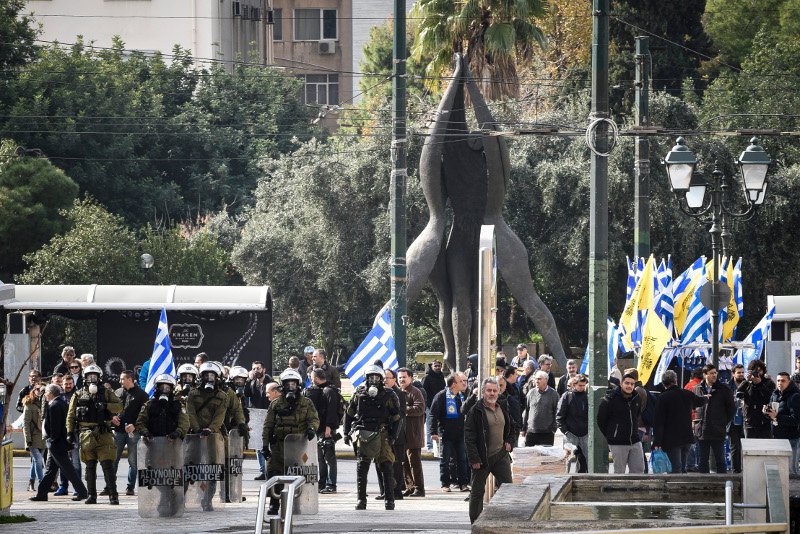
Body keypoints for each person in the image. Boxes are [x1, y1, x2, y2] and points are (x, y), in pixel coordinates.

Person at [344, 364, 400, 511]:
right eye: (371, 377)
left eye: (377, 377)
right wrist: (345, 432)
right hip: (364, 435)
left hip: (383, 434)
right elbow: (349, 414)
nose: (374, 380)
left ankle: (389, 500)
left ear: (382, 379)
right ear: (366, 379)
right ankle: (361, 500)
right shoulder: (359, 393)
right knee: (362, 468)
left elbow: (397, 418)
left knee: (387, 466)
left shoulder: (389, 395)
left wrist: (393, 436)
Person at [262, 368, 319, 515]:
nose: (291, 387)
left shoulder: (306, 403)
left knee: (298, 475)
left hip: (298, 445)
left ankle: (298, 504)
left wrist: (312, 428)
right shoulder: (275, 404)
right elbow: (268, 425)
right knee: (274, 474)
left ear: (298, 385)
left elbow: (313, 418)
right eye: (288, 384)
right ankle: (274, 504)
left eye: (293, 384)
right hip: (279, 445)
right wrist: (265, 445)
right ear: (283, 386)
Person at [66, 364, 123, 504]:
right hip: (86, 435)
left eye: (95, 376)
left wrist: (106, 406)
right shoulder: (78, 394)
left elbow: (119, 405)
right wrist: (69, 432)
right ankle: (91, 495)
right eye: (89, 376)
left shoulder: (107, 392)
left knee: (107, 466)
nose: (92, 379)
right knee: (90, 467)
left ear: (99, 378)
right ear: (85, 378)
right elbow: (71, 415)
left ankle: (113, 495)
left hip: (104, 433)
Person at [465, 377, 514, 523]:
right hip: (482, 459)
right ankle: (476, 523)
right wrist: (474, 459)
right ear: (482, 392)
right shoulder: (475, 411)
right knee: (477, 493)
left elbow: (512, 427)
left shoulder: (503, 407)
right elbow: (469, 437)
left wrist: (510, 441)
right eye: (488, 390)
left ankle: (507, 521)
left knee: (508, 489)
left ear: (498, 392)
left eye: (494, 390)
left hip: (501, 456)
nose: (492, 393)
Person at [29, 385, 89, 502]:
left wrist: (52, 440)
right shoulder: (60, 403)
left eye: (46, 392)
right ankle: (42, 494)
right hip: (57, 443)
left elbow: (55, 427)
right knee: (50, 470)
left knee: (67, 468)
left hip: (56, 443)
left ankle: (82, 492)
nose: (45, 395)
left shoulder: (55, 406)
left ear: (51, 393)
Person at [186, 361, 231, 511]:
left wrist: (210, 429)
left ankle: (208, 500)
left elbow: (220, 416)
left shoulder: (222, 396)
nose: (209, 378)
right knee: (189, 466)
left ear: (217, 378)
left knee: (213, 468)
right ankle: (181, 498)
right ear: (201, 377)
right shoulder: (193, 393)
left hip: (213, 436)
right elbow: (190, 413)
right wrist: (197, 429)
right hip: (195, 435)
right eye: (206, 375)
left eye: (212, 375)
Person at [652, 370, 707, 473]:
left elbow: (658, 422)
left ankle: (674, 488)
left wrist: (657, 440)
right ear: (676, 381)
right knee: (682, 468)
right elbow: (700, 401)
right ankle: (682, 487)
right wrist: (706, 398)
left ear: (663, 383)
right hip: (687, 437)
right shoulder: (687, 394)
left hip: (671, 439)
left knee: (675, 469)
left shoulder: (663, 398)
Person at [597, 372, 645, 474]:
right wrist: (612, 435)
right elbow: (601, 420)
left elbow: (636, 416)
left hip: (635, 440)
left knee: (639, 471)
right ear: (621, 384)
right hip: (617, 442)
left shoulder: (637, 398)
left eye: (632, 384)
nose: (629, 386)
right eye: (627, 383)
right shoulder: (610, 399)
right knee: (619, 473)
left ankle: (636, 490)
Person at [692, 364, 735, 474]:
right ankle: (703, 484)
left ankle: (723, 484)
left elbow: (731, 409)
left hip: (717, 429)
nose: (714, 375)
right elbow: (693, 406)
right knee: (702, 460)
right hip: (702, 429)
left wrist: (723, 422)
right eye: (711, 373)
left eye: (715, 373)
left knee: (720, 460)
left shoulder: (724, 389)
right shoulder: (697, 388)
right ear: (705, 374)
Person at [430, 372, 469, 492]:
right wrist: (433, 432)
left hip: (460, 432)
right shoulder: (441, 396)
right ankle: (445, 483)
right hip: (446, 433)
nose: (463, 383)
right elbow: (433, 414)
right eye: (459, 381)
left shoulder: (461, 396)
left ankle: (463, 483)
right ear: (453, 384)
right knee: (445, 459)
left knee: (462, 459)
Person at [111, 370, 148, 496]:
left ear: (130, 379)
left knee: (133, 461)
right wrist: (113, 418)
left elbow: (145, 416)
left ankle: (130, 487)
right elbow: (110, 409)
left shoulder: (142, 395)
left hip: (134, 432)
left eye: (122, 379)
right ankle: (110, 486)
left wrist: (135, 427)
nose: (120, 381)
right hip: (118, 432)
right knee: (113, 459)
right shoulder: (117, 392)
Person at [304, 368, 341, 494]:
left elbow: (331, 411)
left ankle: (331, 484)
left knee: (329, 457)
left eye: (311, 377)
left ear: (315, 378)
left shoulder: (329, 391)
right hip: (319, 429)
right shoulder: (320, 390)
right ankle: (323, 482)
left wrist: (328, 428)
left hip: (326, 429)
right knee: (320, 458)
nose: (310, 380)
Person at [375, 367, 406, 501]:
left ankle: (397, 490)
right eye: (384, 378)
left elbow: (401, 414)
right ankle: (384, 490)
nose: (385, 380)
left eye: (388, 378)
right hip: (381, 435)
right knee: (380, 463)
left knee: (396, 463)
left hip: (396, 435)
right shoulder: (379, 393)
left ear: (394, 380)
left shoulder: (399, 394)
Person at [398, 367, 426, 497]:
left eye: (404, 377)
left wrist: (404, 409)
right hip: (401, 434)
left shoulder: (415, 392)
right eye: (400, 377)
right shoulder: (398, 392)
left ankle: (419, 488)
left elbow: (420, 408)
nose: (402, 379)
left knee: (414, 462)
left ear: (411, 378)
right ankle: (409, 487)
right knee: (404, 462)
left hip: (413, 434)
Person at [135, 374, 189, 440]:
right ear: (157, 389)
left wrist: (177, 433)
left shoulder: (178, 405)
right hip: (152, 443)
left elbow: (185, 423)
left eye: (167, 388)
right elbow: (140, 422)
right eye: (161, 388)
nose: (164, 390)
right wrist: (146, 433)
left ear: (171, 390)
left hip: (173, 443)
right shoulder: (149, 404)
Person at [767, 372, 800, 474]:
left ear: (789, 382)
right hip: (776, 436)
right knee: (779, 471)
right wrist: (766, 412)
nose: (780, 383)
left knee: (791, 472)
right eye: (778, 380)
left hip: (791, 438)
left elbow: (796, 420)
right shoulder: (775, 394)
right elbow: (772, 413)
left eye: (783, 381)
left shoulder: (795, 396)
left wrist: (777, 416)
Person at [556, 374, 589, 473]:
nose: (582, 388)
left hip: (584, 434)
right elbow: (559, 415)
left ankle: (581, 481)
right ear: (574, 385)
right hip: (570, 434)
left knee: (584, 462)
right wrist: (565, 431)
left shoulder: (587, 396)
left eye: (584, 385)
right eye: (580, 385)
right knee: (567, 461)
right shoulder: (567, 396)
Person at [736, 359, 775, 439]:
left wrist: (760, 383)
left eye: (759, 370)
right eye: (755, 371)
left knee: (765, 448)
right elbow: (738, 392)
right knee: (750, 448)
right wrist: (747, 381)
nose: (757, 373)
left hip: (764, 421)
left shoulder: (768, 382)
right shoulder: (747, 383)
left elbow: (769, 397)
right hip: (750, 422)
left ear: (763, 371)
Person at [522, 370, 559, 446]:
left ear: (546, 380)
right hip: (531, 432)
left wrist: (553, 429)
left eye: (539, 379)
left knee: (545, 457)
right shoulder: (531, 393)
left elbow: (557, 412)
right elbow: (526, 411)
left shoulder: (554, 394)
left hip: (547, 433)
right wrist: (524, 428)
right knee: (530, 456)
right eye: (535, 379)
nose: (536, 381)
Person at [23, 386, 46, 492]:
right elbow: (26, 424)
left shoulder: (46, 403)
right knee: (38, 460)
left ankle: (31, 481)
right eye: (38, 389)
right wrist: (28, 439)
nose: (40, 392)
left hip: (43, 437)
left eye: (43, 390)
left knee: (35, 462)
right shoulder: (29, 404)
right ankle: (42, 483)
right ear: (33, 390)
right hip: (33, 437)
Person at [422, 360, 446, 452]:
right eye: (435, 366)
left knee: (439, 425)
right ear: (431, 366)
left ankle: (438, 445)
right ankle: (430, 445)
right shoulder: (426, 378)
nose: (437, 367)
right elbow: (423, 392)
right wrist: (427, 404)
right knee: (430, 425)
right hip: (430, 405)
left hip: (440, 405)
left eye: (439, 366)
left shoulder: (441, 376)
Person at [729, 364, 746, 473]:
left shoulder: (748, 385)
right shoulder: (727, 386)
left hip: (746, 421)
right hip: (732, 421)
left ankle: (747, 470)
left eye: (742, 372)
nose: (741, 374)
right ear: (733, 374)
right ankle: (736, 470)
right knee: (734, 447)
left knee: (746, 447)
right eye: (738, 372)